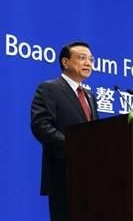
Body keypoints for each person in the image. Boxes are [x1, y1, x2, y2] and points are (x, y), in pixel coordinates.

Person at [31, 41, 99, 221]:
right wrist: (74, 147)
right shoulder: (49, 89)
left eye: (90, 59)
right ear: (65, 62)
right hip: (63, 174)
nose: (88, 63)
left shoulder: (90, 96)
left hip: (92, 177)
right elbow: (41, 126)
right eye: (82, 58)